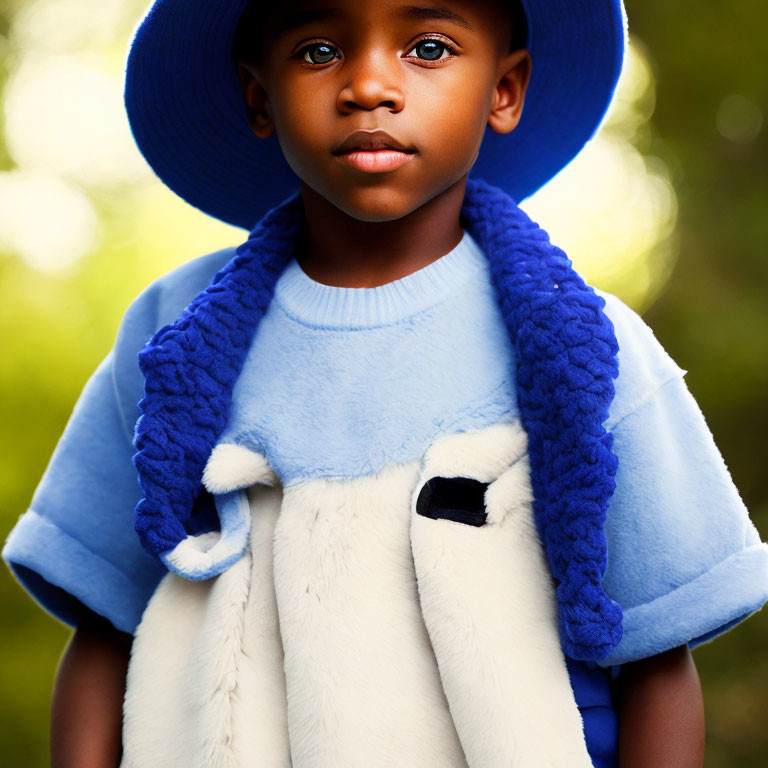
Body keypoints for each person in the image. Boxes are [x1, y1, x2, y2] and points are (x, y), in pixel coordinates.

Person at [3, 0, 768, 766]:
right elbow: (107, 631)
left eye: (429, 47)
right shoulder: (175, 339)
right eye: (317, 51)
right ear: (257, 97)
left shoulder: (585, 352)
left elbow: (657, 659)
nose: (369, 84)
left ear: (504, 89)